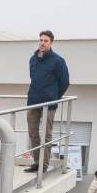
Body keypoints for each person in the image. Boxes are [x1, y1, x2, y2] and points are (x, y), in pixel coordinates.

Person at [24, 30, 69, 173]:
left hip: (49, 104)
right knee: (32, 133)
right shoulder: (33, 59)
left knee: (46, 134)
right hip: (33, 101)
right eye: (41, 40)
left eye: (46, 41)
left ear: (51, 43)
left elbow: (65, 82)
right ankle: (37, 162)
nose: (42, 43)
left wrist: (54, 96)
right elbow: (33, 79)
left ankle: (43, 165)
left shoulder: (58, 61)